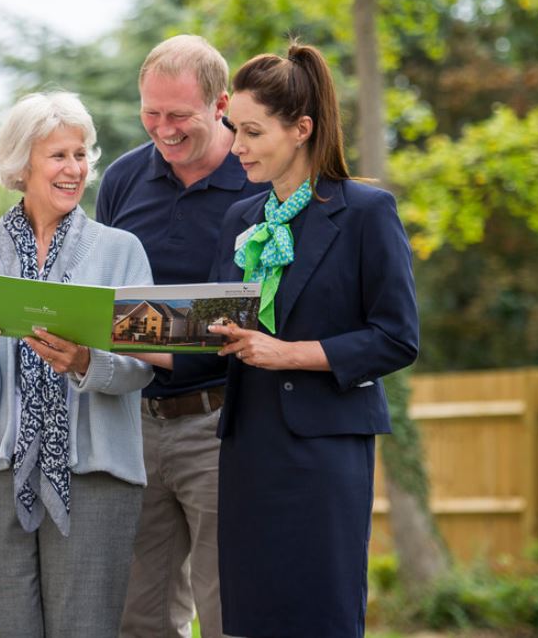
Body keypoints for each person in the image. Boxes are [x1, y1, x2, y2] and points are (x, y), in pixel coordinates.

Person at [163, 42, 420, 637]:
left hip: (324, 451)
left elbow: (397, 338)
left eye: (252, 132)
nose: (237, 147)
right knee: (248, 618)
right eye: (233, 129)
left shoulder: (366, 213)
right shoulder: (240, 220)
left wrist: (288, 354)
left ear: (301, 128)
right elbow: (215, 331)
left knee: (320, 615)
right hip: (249, 442)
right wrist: (105, 340)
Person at [0, 92, 155, 638]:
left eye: (81, 155)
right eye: (58, 156)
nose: (74, 169)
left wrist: (85, 362)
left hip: (98, 475)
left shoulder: (121, 251)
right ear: (21, 165)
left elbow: (145, 364)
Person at [96, 35, 267, 638]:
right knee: (137, 614)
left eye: (178, 116)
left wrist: (136, 334)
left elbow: (250, 317)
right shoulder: (122, 180)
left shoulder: (257, 184)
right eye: (151, 113)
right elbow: (104, 288)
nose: (162, 130)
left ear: (221, 105)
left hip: (219, 423)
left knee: (227, 608)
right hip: (132, 421)